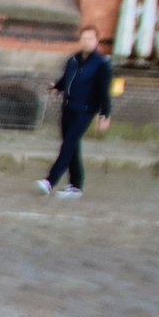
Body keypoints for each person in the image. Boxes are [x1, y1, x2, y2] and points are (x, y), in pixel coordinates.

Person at [40, 25, 112, 199]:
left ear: (96, 41)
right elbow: (67, 79)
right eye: (83, 39)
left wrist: (105, 114)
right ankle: (76, 185)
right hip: (69, 107)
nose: (86, 42)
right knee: (72, 147)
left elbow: (104, 91)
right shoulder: (73, 59)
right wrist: (57, 87)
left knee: (68, 144)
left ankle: (50, 180)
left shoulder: (101, 64)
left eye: (90, 39)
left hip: (85, 110)